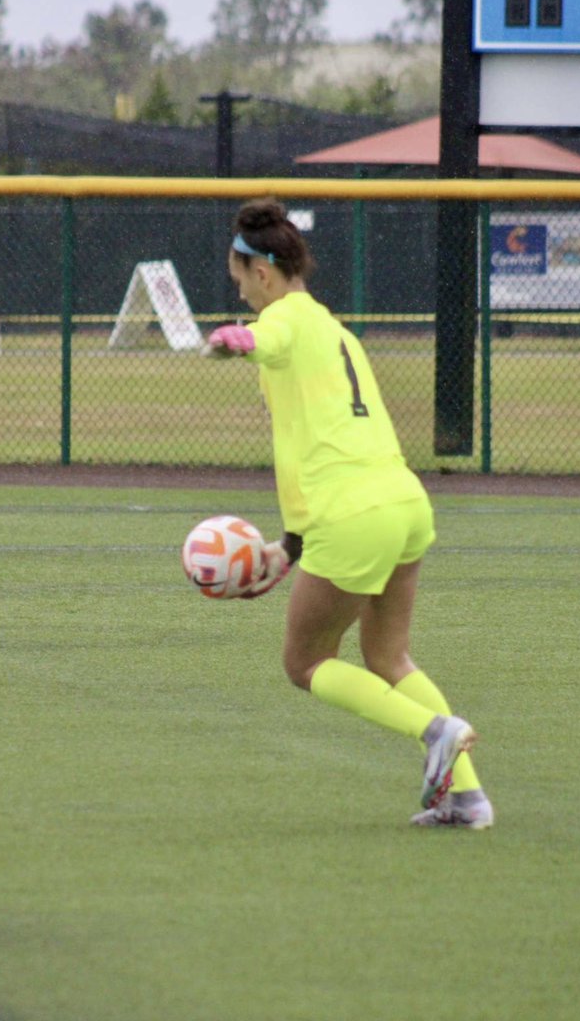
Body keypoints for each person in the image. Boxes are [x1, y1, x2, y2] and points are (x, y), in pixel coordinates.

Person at [207, 197, 493, 829]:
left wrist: (236, 339)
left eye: (240, 281)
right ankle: (467, 799)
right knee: (389, 658)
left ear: (262, 273)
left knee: (304, 662)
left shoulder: (287, 321)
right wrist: (291, 544)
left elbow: (267, 335)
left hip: (355, 514)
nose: (243, 295)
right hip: (404, 503)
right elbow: (318, 440)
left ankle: (434, 731)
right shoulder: (337, 332)